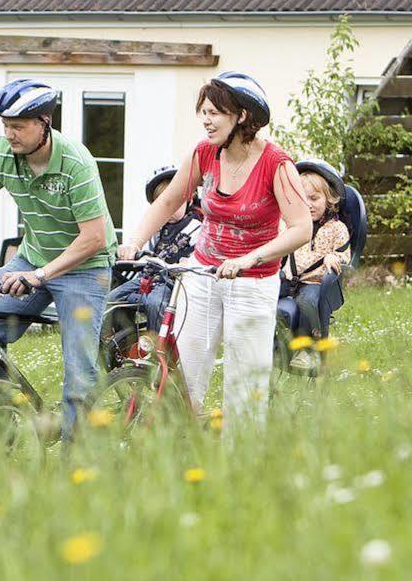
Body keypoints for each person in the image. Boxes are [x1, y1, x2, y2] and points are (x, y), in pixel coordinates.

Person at [120, 72, 310, 432]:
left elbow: (302, 228)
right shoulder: (204, 154)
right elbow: (170, 201)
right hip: (203, 274)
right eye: (202, 112)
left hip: (252, 283)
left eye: (214, 113)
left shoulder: (276, 164)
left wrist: (249, 259)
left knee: (244, 385)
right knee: (184, 374)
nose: (205, 120)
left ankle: (242, 464)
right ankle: (178, 451)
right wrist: (135, 240)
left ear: (241, 116)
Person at [0, 79, 116, 439]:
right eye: (5, 125)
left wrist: (41, 275)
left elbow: (94, 238)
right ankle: (20, 417)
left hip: (85, 268)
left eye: (17, 126)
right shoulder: (4, 153)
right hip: (34, 258)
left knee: (79, 371)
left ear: (44, 123)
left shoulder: (75, 163)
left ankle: (75, 457)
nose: (9, 134)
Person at [101, 166, 202, 370]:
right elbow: (146, 252)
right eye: (163, 203)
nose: (169, 208)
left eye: (175, 202)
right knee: (111, 298)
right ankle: (124, 343)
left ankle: (161, 353)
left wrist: (187, 263)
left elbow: (198, 257)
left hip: (171, 283)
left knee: (156, 303)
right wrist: (132, 252)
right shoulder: (157, 229)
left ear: (189, 198)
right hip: (148, 279)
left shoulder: (196, 227)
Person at [280, 160, 351, 370]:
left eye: (314, 198)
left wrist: (334, 258)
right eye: (302, 199)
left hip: (316, 283)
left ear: (329, 200)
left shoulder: (336, 228)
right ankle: (264, 343)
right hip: (289, 279)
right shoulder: (291, 225)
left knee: (307, 302)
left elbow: (345, 256)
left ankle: (306, 349)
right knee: (262, 294)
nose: (308, 204)